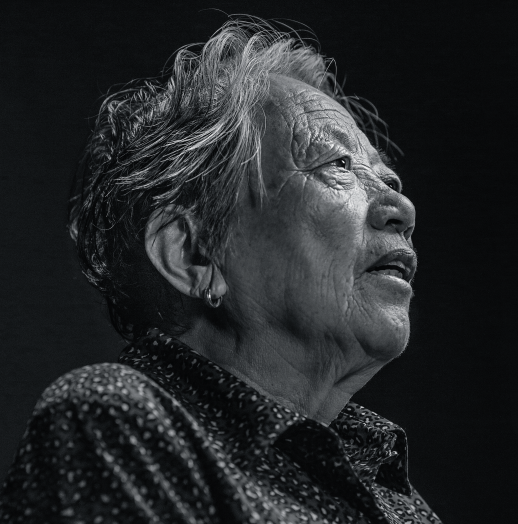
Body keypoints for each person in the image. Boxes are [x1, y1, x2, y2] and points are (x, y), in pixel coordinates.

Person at [0, 17, 442, 524]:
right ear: (193, 254)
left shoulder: (395, 497)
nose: (401, 208)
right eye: (337, 165)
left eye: (388, 179)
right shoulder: (124, 425)